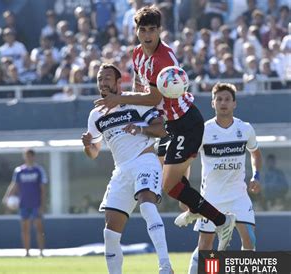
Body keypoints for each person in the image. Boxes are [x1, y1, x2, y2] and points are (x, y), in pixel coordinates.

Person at [93, 5, 236, 251]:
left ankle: (222, 220)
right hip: (169, 124)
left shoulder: (164, 58)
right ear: (136, 31)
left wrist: (121, 98)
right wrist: (135, 111)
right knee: (165, 181)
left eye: (152, 29)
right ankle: (193, 206)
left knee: (170, 187)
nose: (147, 34)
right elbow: (142, 87)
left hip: (185, 123)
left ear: (160, 30)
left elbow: (152, 97)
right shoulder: (137, 53)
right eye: (143, 29)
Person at [82, 63, 173, 274]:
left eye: (107, 78)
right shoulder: (96, 114)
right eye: (99, 79)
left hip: (145, 161)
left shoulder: (135, 101)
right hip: (121, 170)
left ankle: (165, 267)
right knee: (110, 234)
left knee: (147, 205)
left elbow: (161, 130)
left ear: (118, 82)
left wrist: (140, 128)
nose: (102, 83)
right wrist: (88, 145)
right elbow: (94, 152)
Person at [187, 82, 262, 274]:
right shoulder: (203, 131)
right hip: (211, 198)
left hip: (238, 196)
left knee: (249, 239)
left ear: (234, 104)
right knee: (206, 245)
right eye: (219, 99)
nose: (223, 103)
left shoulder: (245, 129)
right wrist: (185, 194)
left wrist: (256, 175)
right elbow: (187, 161)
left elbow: (255, 153)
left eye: (227, 99)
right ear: (213, 103)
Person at [2, 149, 47, 257]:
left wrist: (42, 204)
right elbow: (14, 185)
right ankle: (27, 252)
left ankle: (41, 252)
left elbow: (43, 188)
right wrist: (7, 197)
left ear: (34, 157)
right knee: (25, 229)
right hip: (24, 204)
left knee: (39, 228)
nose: (29, 158)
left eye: (30, 156)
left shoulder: (38, 170)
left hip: (36, 203)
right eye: (27, 156)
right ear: (24, 157)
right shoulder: (19, 171)